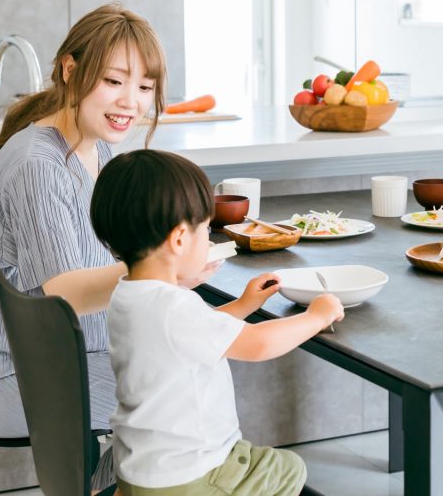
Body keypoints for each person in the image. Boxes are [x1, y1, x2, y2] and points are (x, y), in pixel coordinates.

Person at [0, 3, 169, 491]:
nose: (131, 101)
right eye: (114, 81)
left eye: (144, 87)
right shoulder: (38, 164)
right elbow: (64, 293)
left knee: (172, 377)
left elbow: (106, 253)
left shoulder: (96, 146)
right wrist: (158, 266)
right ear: (70, 69)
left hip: (43, 355)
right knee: (169, 400)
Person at [90, 149, 345, 496]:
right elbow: (258, 345)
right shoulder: (173, 305)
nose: (209, 240)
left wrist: (242, 305)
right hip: (191, 476)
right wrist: (317, 315)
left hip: (142, 473)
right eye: (206, 230)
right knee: (288, 469)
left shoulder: (130, 294)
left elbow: (188, 336)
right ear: (179, 239)